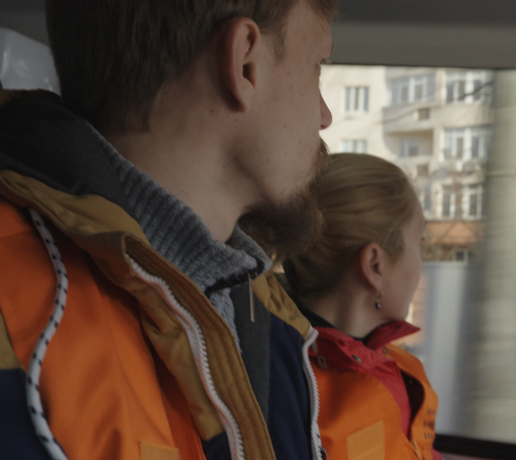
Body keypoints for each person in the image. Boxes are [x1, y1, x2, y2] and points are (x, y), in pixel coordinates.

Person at [0, 0, 337, 459]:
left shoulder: (269, 318)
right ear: (244, 64)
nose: (324, 115)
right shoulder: (17, 299)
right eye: (318, 66)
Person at [283, 153, 442, 460]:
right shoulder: (296, 391)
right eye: (419, 243)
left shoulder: (403, 369)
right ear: (375, 265)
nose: (421, 264)